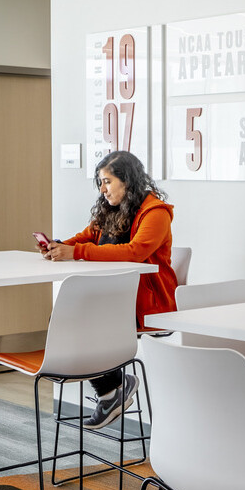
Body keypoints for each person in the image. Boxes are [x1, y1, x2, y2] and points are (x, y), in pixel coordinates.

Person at [42, 150, 177, 429]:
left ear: (127, 181)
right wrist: (57, 247)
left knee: (77, 319)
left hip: (146, 303)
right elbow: (83, 238)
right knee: (65, 318)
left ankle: (110, 391)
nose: (102, 189)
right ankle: (112, 389)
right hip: (110, 298)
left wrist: (76, 252)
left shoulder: (157, 213)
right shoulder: (109, 210)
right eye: (100, 183)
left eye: (107, 181)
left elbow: (135, 251)